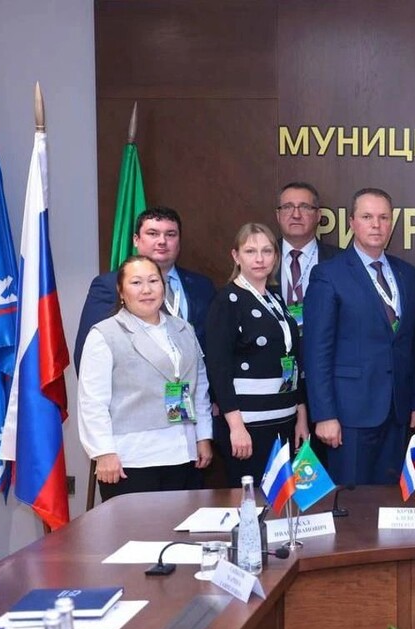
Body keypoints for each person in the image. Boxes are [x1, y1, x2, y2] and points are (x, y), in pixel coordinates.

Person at [303, 188, 415, 485]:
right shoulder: (328, 274)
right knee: (353, 501)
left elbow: (412, 345)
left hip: (397, 412)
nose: (376, 225)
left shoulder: (407, 274)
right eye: (367, 217)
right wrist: (324, 415)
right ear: (352, 223)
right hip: (349, 415)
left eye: (383, 217)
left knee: (390, 499)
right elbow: (317, 351)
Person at [77, 255, 213, 501]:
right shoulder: (105, 334)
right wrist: (103, 452)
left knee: (181, 524)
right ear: (121, 291)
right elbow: (92, 401)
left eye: (153, 281)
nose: (147, 290)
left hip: (183, 453)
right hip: (132, 459)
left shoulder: (184, 329)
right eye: (136, 283)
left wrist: (203, 436)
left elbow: (199, 387)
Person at [205, 223, 308, 486]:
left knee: (282, 498)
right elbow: (218, 368)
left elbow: (294, 361)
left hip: (284, 421)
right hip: (249, 426)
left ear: (275, 256)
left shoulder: (276, 299)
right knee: (253, 501)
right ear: (236, 256)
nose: (259, 259)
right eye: (250, 251)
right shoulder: (227, 300)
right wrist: (236, 427)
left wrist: (301, 416)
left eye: (266, 251)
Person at [74, 206, 215, 370]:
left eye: (170, 234)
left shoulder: (202, 286)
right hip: (134, 385)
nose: (162, 241)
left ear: (179, 240)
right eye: (153, 233)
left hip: (192, 382)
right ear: (136, 239)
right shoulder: (109, 285)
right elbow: (89, 354)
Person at [275, 181, 341, 330]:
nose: (296, 215)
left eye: (304, 207)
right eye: (288, 207)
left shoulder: (340, 260)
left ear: (318, 215)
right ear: (278, 215)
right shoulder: (262, 257)